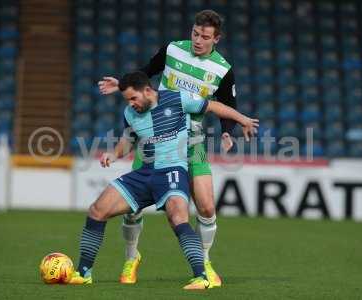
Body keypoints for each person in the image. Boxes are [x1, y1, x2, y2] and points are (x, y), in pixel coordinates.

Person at [70, 71, 258, 289]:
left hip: (172, 172)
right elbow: (128, 140)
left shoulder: (176, 99)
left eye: (134, 98)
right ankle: (83, 273)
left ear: (148, 91)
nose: (131, 104)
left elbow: (214, 107)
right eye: (127, 100)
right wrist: (113, 154)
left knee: (178, 217)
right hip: (144, 173)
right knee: (97, 210)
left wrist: (242, 119)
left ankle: (201, 276)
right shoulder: (130, 113)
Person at [99, 10, 245, 287]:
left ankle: (204, 263)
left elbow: (228, 106)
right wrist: (122, 83)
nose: (197, 41)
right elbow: (146, 72)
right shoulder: (173, 50)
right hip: (156, 139)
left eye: (204, 37)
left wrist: (227, 133)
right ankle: (131, 258)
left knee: (206, 205)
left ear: (217, 39)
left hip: (193, 142)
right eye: (195, 34)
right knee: (132, 207)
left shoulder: (223, 70)